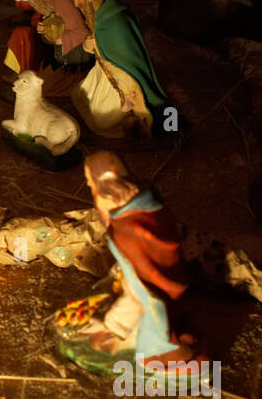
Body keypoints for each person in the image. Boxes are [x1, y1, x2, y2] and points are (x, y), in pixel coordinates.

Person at [65, 151, 196, 368]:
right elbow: (134, 262)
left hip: (154, 295)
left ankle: (169, 353)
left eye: (91, 186)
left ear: (106, 188)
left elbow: (139, 293)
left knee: (149, 344)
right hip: (166, 279)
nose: (92, 192)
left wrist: (112, 327)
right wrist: (119, 274)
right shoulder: (142, 208)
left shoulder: (127, 229)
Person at [69, 0, 171, 139]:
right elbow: (98, 45)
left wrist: (128, 95)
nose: (75, 3)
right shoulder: (98, 16)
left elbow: (126, 61)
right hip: (103, 72)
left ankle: (133, 121)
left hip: (122, 80)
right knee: (78, 94)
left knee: (101, 119)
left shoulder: (115, 22)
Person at [5, 0, 92, 73]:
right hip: (51, 52)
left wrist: (53, 38)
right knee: (21, 35)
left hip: (70, 62)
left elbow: (80, 32)